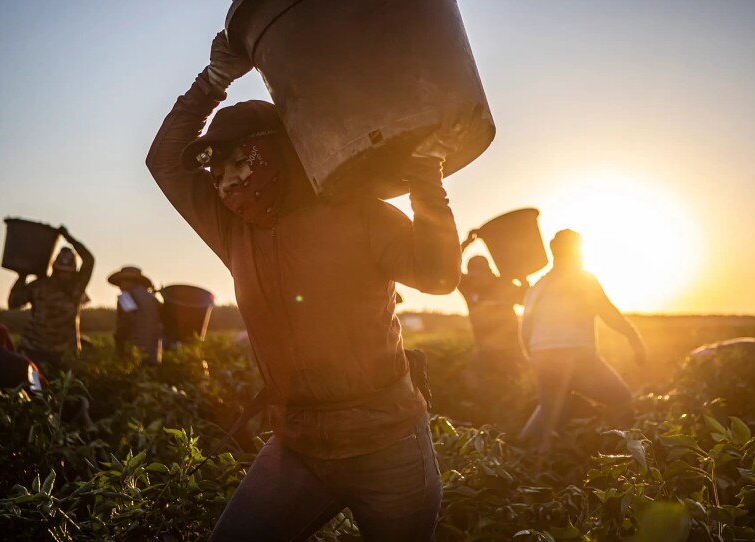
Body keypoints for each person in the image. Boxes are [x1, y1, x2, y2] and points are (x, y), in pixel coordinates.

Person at [146, 31, 472, 541]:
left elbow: (438, 274)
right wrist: (213, 81)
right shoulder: (234, 229)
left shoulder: (358, 214)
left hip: (390, 448)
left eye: (237, 162)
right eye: (216, 173)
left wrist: (427, 175)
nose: (226, 183)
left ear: (275, 151)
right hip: (298, 450)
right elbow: (164, 161)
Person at [519, 229, 646, 452]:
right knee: (622, 398)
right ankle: (621, 453)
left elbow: (525, 328)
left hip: (541, 355)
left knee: (551, 409)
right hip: (577, 354)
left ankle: (521, 449)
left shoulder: (537, 286)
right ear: (578, 252)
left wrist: (536, 359)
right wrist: (634, 338)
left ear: (553, 250)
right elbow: (608, 313)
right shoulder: (584, 279)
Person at [8, 227, 94, 373]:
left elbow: (13, 303)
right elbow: (14, 303)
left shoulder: (73, 287)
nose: (64, 277)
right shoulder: (71, 287)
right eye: (63, 272)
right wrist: (22, 276)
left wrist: (22, 276)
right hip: (35, 350)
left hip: (57, 353)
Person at [458, 232, 528, 380]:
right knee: (475, 385)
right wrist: (465, 244)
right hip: (485, 353)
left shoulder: (502, 285)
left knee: (520, 387)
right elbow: (449, 267)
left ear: (490, 271)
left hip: (513, 353)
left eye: (480, 270)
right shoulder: (468, 287)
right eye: (472, 271)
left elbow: (527, 299)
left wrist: (523, 279)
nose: (476, 275)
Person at [108, 266, 162, 365]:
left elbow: (126, 322)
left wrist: (120, 347)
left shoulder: (125, 297)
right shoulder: (153, 299)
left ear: (131, 281)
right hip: (153, 354)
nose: (120, 286)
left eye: (121, 281)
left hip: (134, 353)